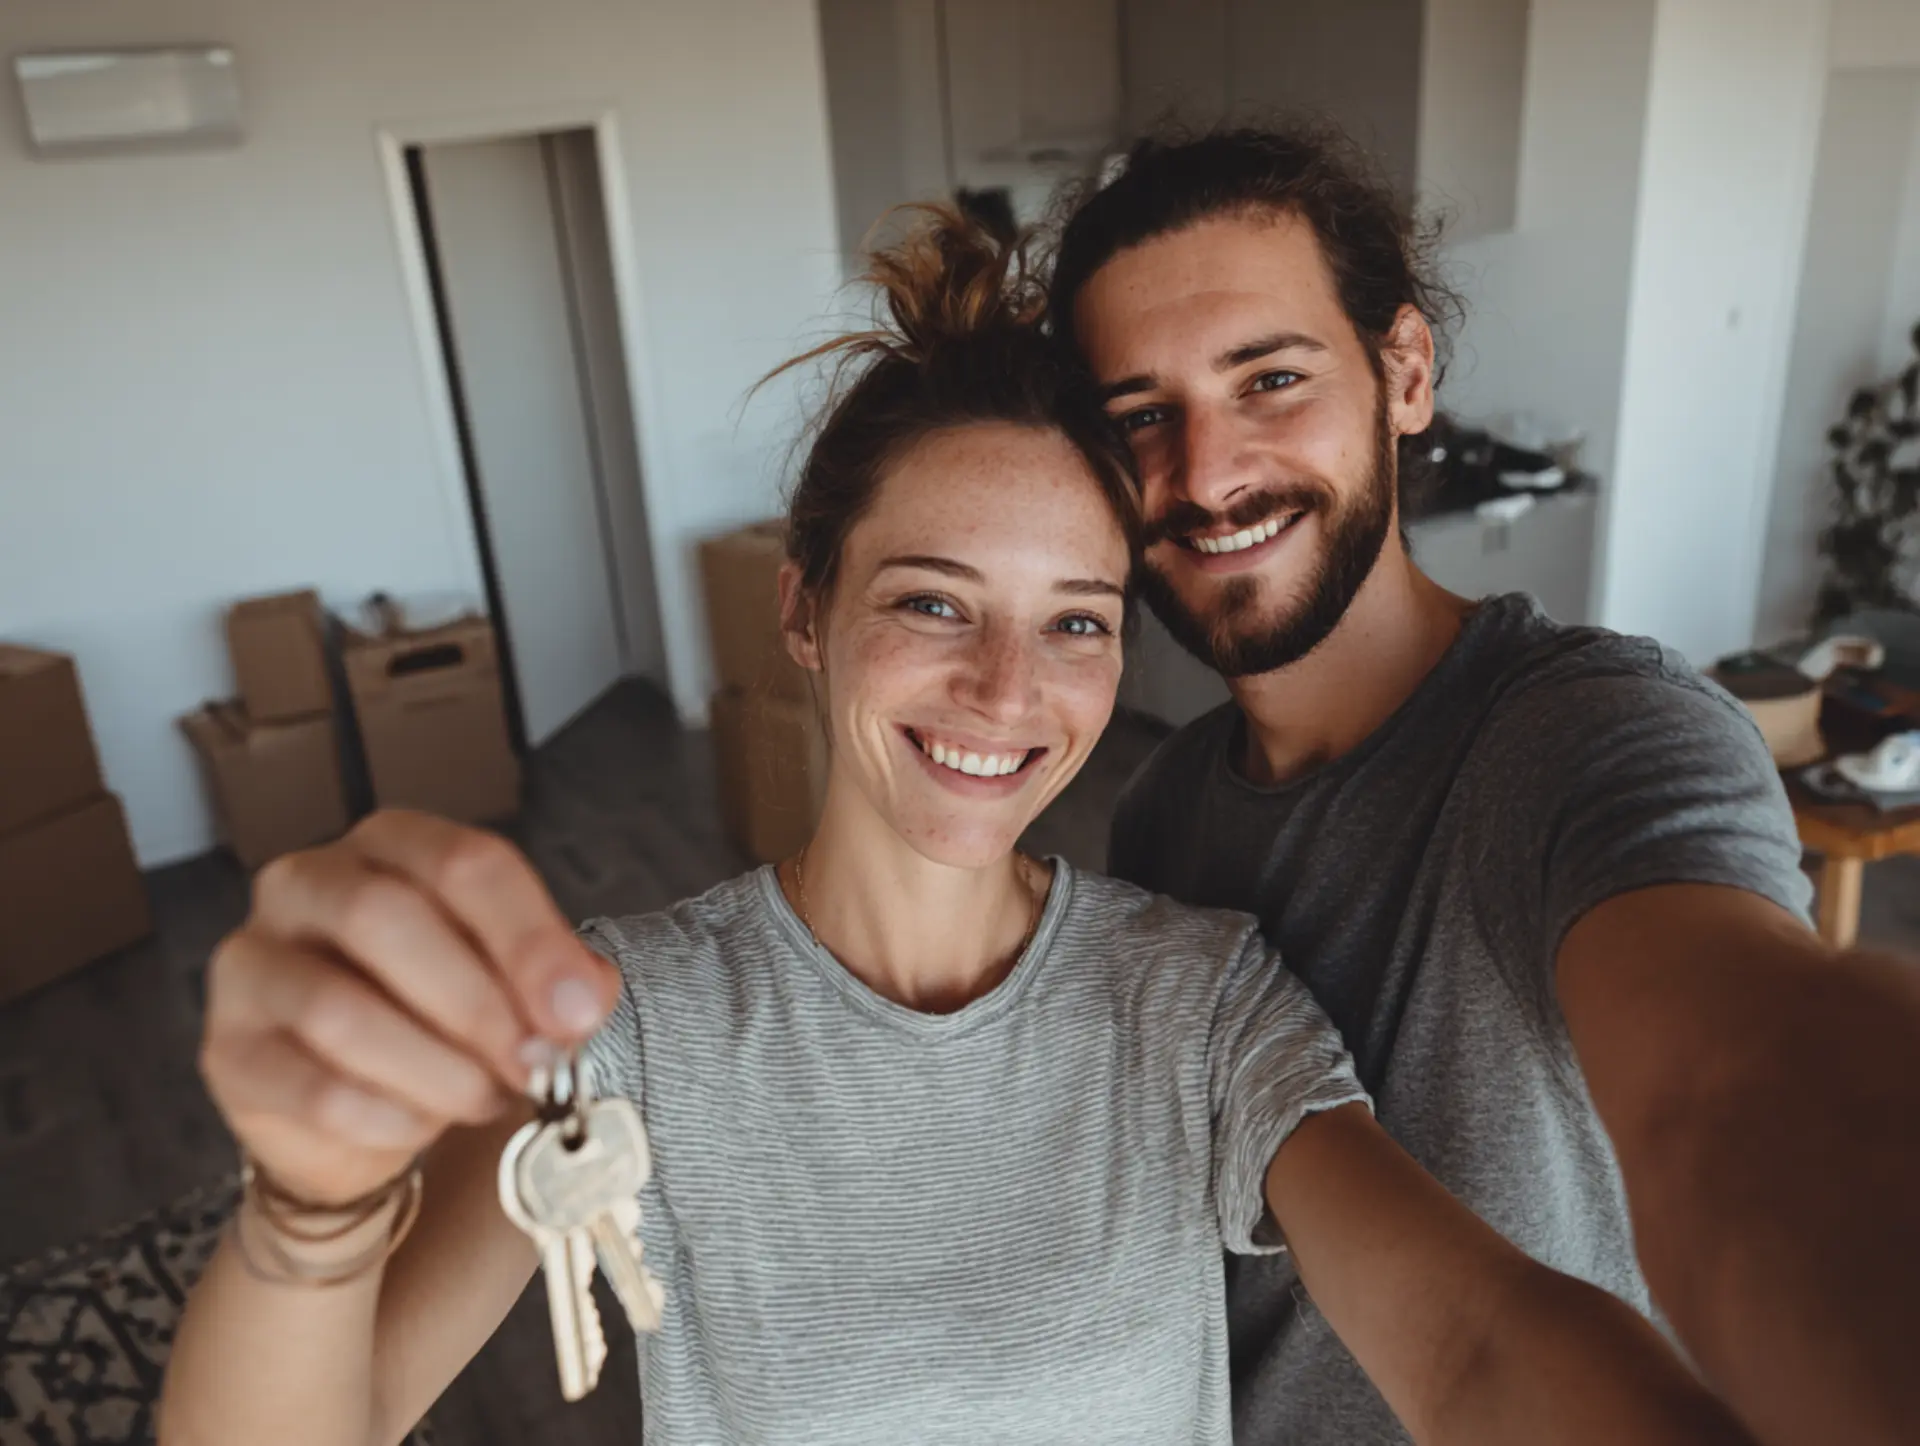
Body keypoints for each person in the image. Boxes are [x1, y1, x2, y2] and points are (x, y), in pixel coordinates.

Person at [161, 209, 1757, 1446]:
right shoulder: (624, 1018)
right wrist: (307, 1212)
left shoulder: (1197, 997)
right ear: (806, 608)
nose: (1007, 691)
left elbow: (1473, 1342)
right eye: (934, 600)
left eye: (1075, 621)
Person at [1048, 123, 1920, 1446]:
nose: (1207, 475)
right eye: (1143, 419)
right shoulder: (1161, 808)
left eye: (1271, 380)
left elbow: (1728, 1095)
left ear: (1404, 371)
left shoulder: (1594, 733)